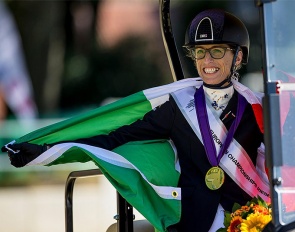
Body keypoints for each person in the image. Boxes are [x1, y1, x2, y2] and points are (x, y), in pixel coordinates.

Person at [2, 9, 270, 231]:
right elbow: (115, 136)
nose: (207, 60)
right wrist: (46, 150)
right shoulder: (177, 106)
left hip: (249, 222)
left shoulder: (260, 108)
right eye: (200, 52)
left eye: (217, 51)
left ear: (239, 57)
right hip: (193, 224)